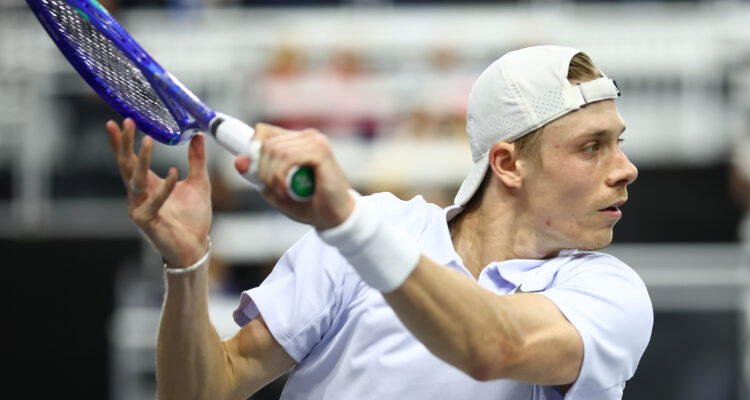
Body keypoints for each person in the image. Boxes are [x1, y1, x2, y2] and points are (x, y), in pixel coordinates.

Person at [106, 45, 653, 399]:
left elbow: (494, 346)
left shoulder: (610, 293)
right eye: (591, 148)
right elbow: (203, 392)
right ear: (508, 164)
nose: (625, 169)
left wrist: (345, 220)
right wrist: (187, 263)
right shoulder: (377, 227)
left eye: (617, 143)